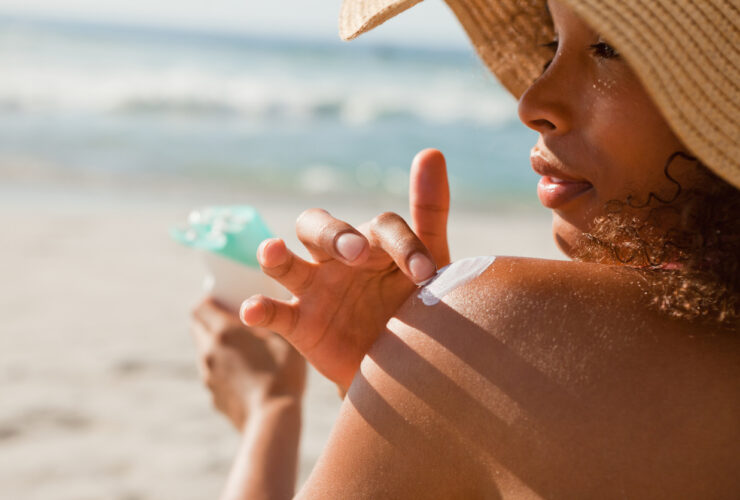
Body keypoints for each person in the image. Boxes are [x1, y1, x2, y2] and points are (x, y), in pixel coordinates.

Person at [191, 0, 740, 498]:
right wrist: (400, 399)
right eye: (553, 46)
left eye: (609, 49)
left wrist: (271, 414)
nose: (533, 101)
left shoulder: (505, 329)